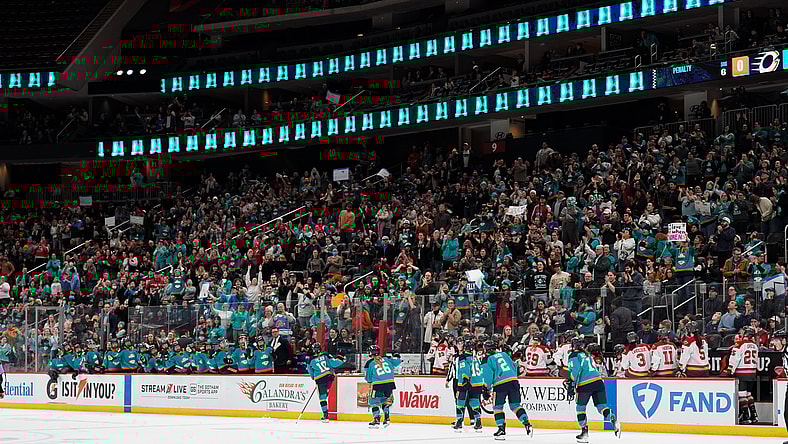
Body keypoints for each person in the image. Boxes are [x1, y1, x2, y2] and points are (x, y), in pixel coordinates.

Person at [565, 336, 621, 443]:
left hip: (585, 384)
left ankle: (584, 433)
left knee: (580, 408)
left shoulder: (573, 355)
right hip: (598, 382)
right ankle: (613, 420)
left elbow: (575, 372)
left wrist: (571, 385)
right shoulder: (587, 355)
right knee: (602, 407)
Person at [481, 339, 534, 440]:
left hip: (500, 384)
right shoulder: (504, 354)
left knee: (497, 407)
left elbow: (487, 375)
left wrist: (486, 389)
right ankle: (527, 423)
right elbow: (514, 367)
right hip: (514, 381)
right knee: (515, 406)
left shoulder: (487, 359)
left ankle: (501, 429)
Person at [725, 326, 759, 424]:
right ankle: (754, 415)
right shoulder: (754, 345)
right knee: (749, 394)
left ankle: (745, 416)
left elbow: (734, 359)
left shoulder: (739, 344)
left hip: (742, 373)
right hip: (752, 373)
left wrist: (730, 370)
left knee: (742, 395)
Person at [364, 345, 401, 429]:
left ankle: (376, 420)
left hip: (378, 384)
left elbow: (368, 378)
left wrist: (370, 382)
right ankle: (387, 418)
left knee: (374, 402)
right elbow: (398, 361)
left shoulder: (370, 363)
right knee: (385, 400)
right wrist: (396, 354)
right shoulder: (387, 359)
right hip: (390, 383)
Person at [307, 342, 346, 423]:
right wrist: (341, 358)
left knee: (322, 397)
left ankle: (325, 415)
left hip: (320, 379)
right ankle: (325, 412)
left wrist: (314, 378)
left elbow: (310, 372)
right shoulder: (325, 355)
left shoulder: (310, 360)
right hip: (329, 377)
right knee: (326, 393)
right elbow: (334, 363)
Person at [452, 337, 484, 433]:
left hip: (466, 382)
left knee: (460, 402)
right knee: (474, 402)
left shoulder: (463, 357)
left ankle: (459, 422)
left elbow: (464, 369)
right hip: (477, 382)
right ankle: (478, 422)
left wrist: (465, 380)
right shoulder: (476, 357)